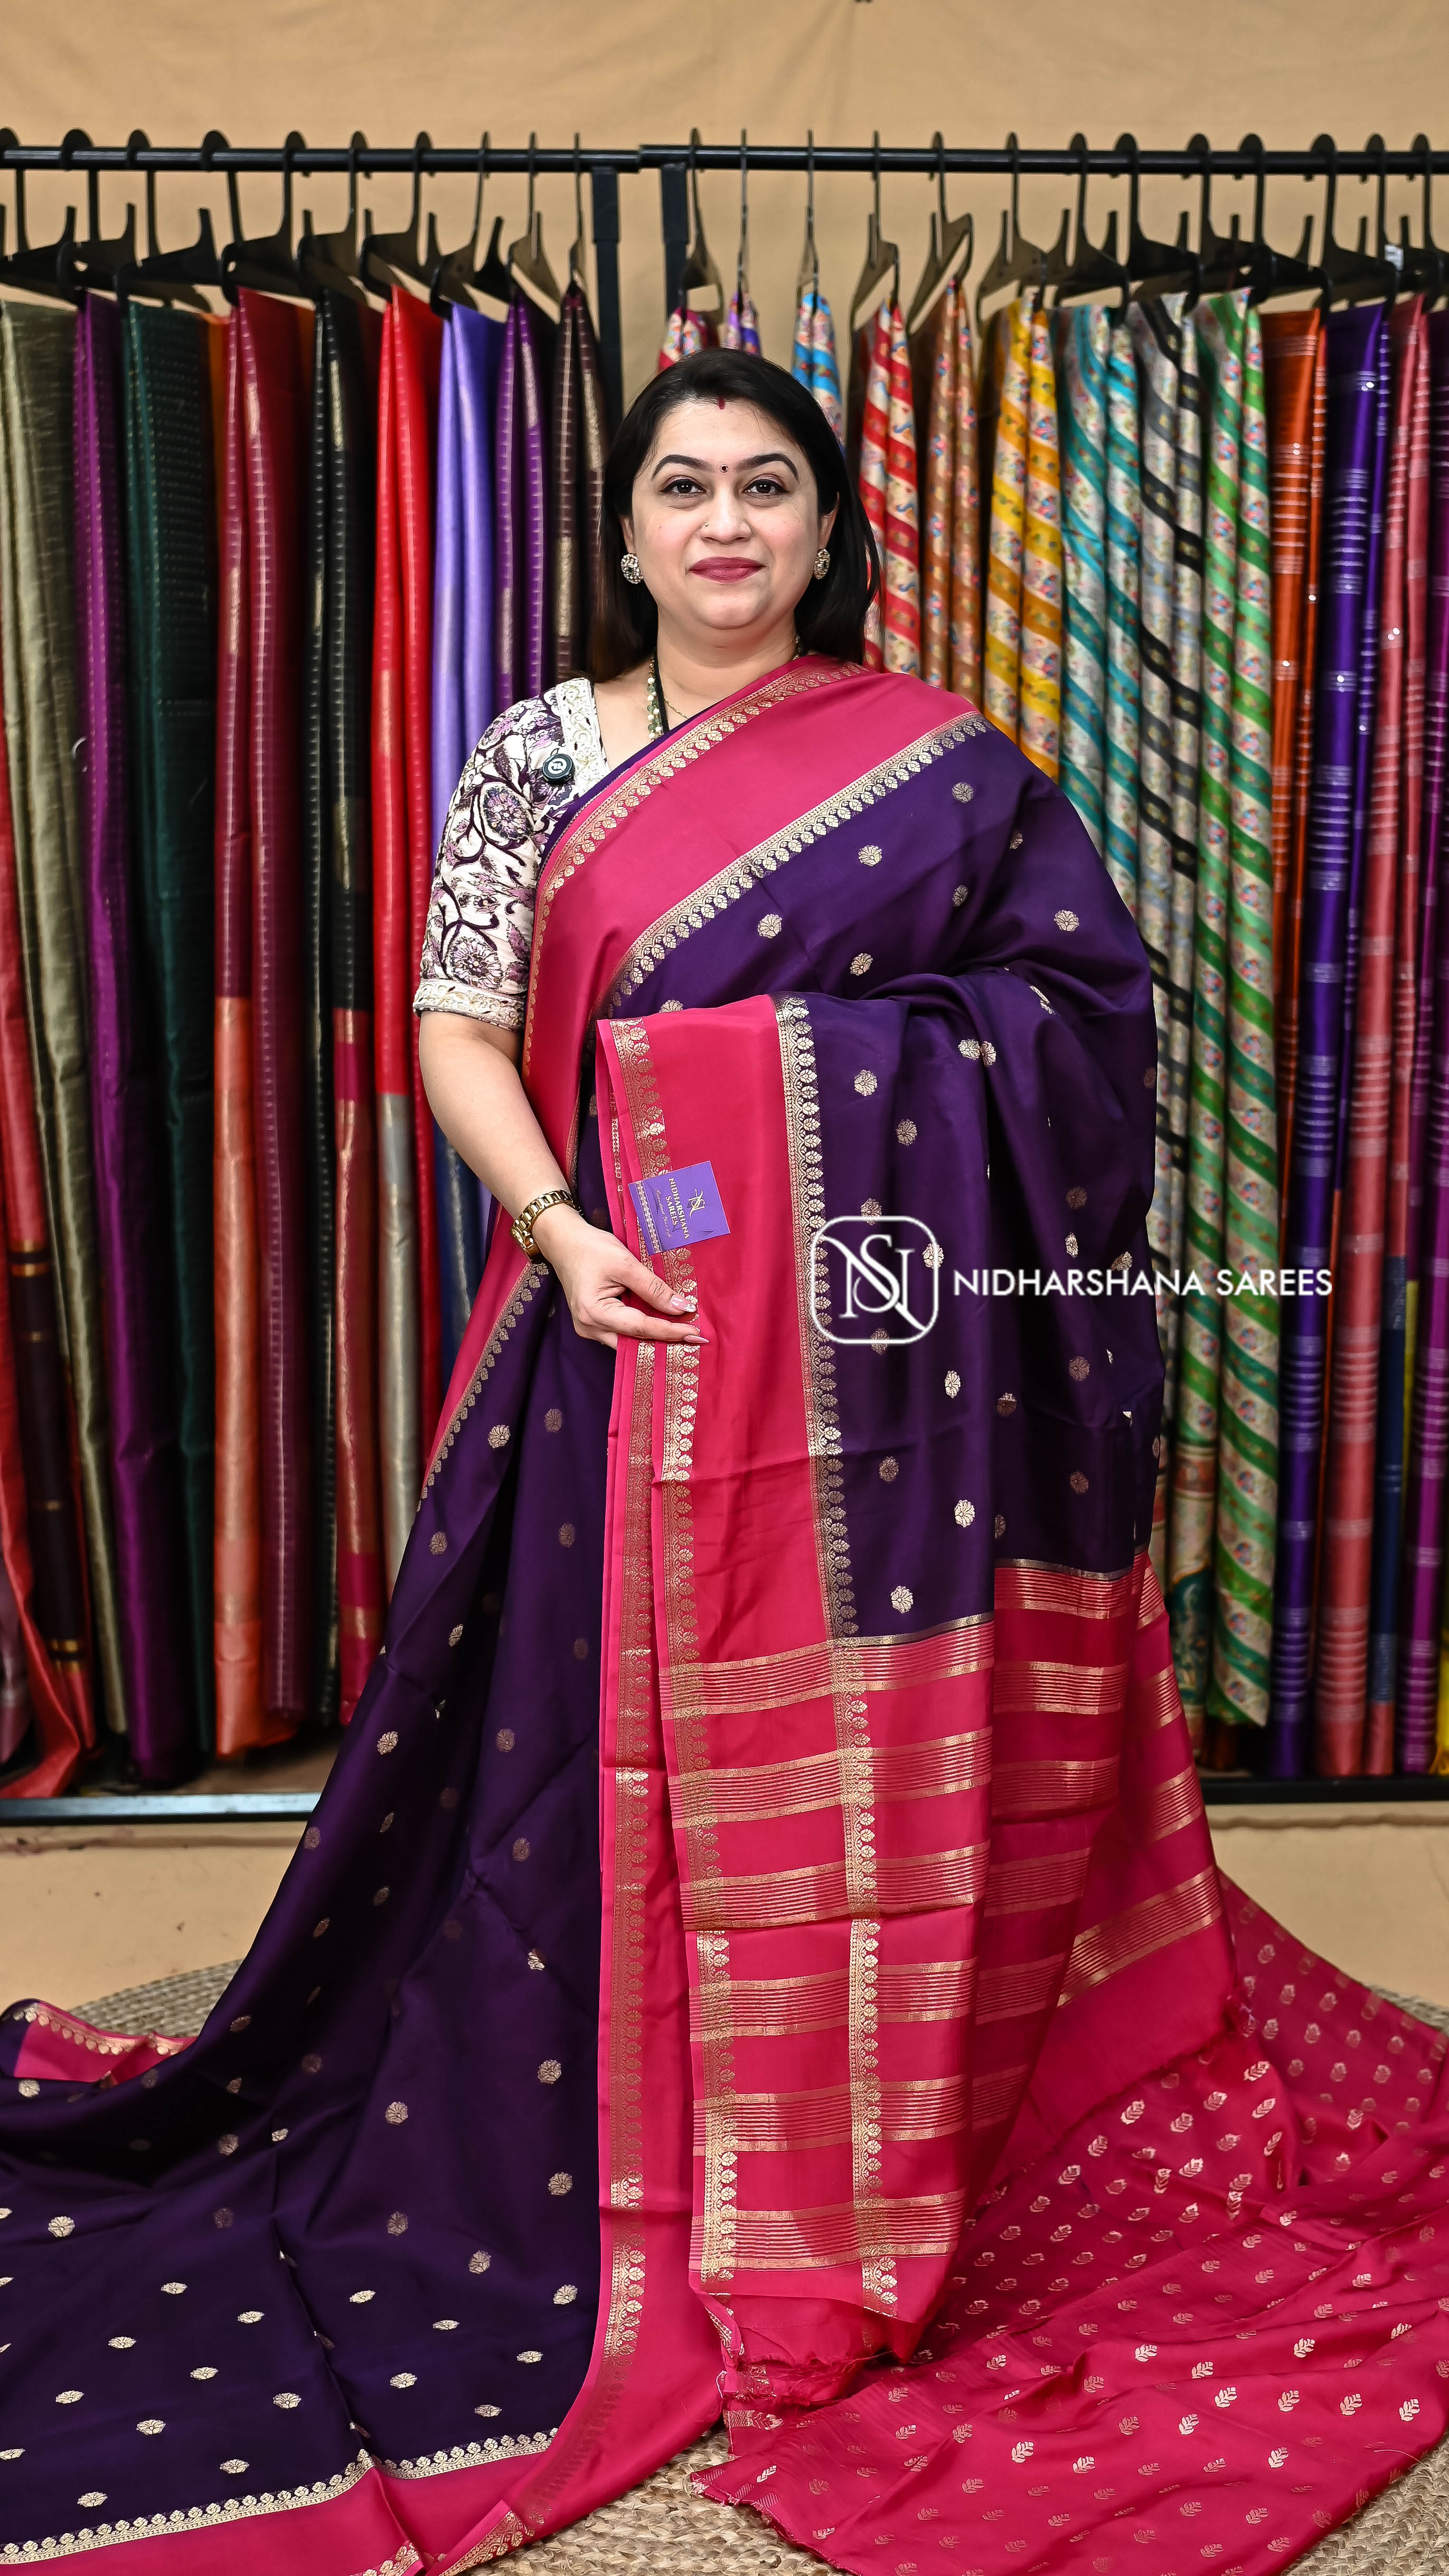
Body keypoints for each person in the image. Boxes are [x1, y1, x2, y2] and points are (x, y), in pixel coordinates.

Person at [0, 347, 1444, 2576]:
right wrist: (561, 1224)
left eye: (767, 487)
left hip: (879, 1372)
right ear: (624, 527)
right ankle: (615, 2137)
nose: (725, 527)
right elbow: (459, 1022)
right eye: (682, 488)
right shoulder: (537, 754)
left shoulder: (939, 764)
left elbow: (1082, 1028)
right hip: (615, 1327)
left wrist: (777, 1082)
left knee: (855, 1746)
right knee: (557, 1769)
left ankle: (851, 2115)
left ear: (827, 525)